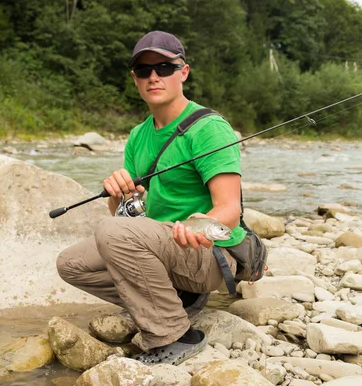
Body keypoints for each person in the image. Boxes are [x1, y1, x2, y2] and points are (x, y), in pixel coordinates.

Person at [56, 30, 253, 365]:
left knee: (108, 233)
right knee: (71, 265)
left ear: (184, 72)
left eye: (164, 67)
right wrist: (119, 194)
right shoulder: (138, 136)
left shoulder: (209, 128)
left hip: (209, 253)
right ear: (135, 78)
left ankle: (176, 335)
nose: (154, 77)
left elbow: (229, 210)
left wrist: (197, 227)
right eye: (144, 71)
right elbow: (123, 218)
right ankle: (173, 302)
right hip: (162, 248)